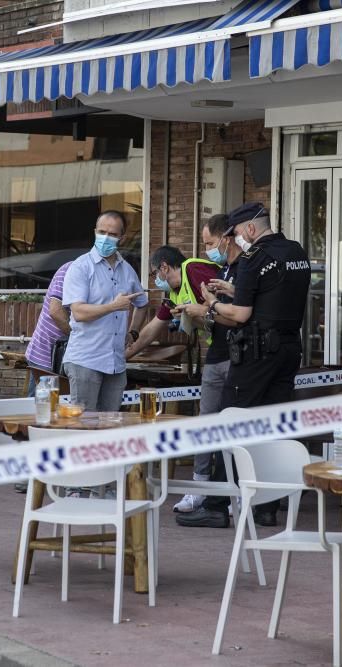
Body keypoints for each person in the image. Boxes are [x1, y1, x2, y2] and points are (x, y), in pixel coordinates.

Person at [178, 202, 311, 529]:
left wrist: (210, 303)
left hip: (255, 353)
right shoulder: (295, 252)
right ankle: (267, 506)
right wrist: (232, 288)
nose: (234, 241)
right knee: (275, 428)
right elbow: (270, 293)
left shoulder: (252, 258)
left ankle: (216, 504)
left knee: (231, 422)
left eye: (235, 234)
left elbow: (240, 315)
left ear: (249, 229)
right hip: (289, 349)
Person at [125, 240, 219, 512]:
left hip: (231, 354)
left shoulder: (194, 270)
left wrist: (195, 314)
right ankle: (205, 489)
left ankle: (219, 490)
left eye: (155, 273)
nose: (156, 280)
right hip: (217, 355)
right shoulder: (174, 295)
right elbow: (152, 329)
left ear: (165, 267)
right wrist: (125, 356)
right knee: (210, 420)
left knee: (216, 421)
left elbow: (224, 306)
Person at [61, 211, 150, 411]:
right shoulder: (80, 267)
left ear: (122, 237)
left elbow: (142, 303)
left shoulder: (127, 270)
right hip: (85, 359)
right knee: (84, 426)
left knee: (110, 427)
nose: (105, 238)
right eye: (102, 232)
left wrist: (133, 332)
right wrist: (113, 306)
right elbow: (78, 312)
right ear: (94, 231)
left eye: (112, 234)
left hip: (116, 362)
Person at [24, 260, 73, 391]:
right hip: (45, 352)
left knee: (57, 404)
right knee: (41, 405)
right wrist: (79, 338)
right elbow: (56, 312)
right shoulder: (69, 269)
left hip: (66, 355)